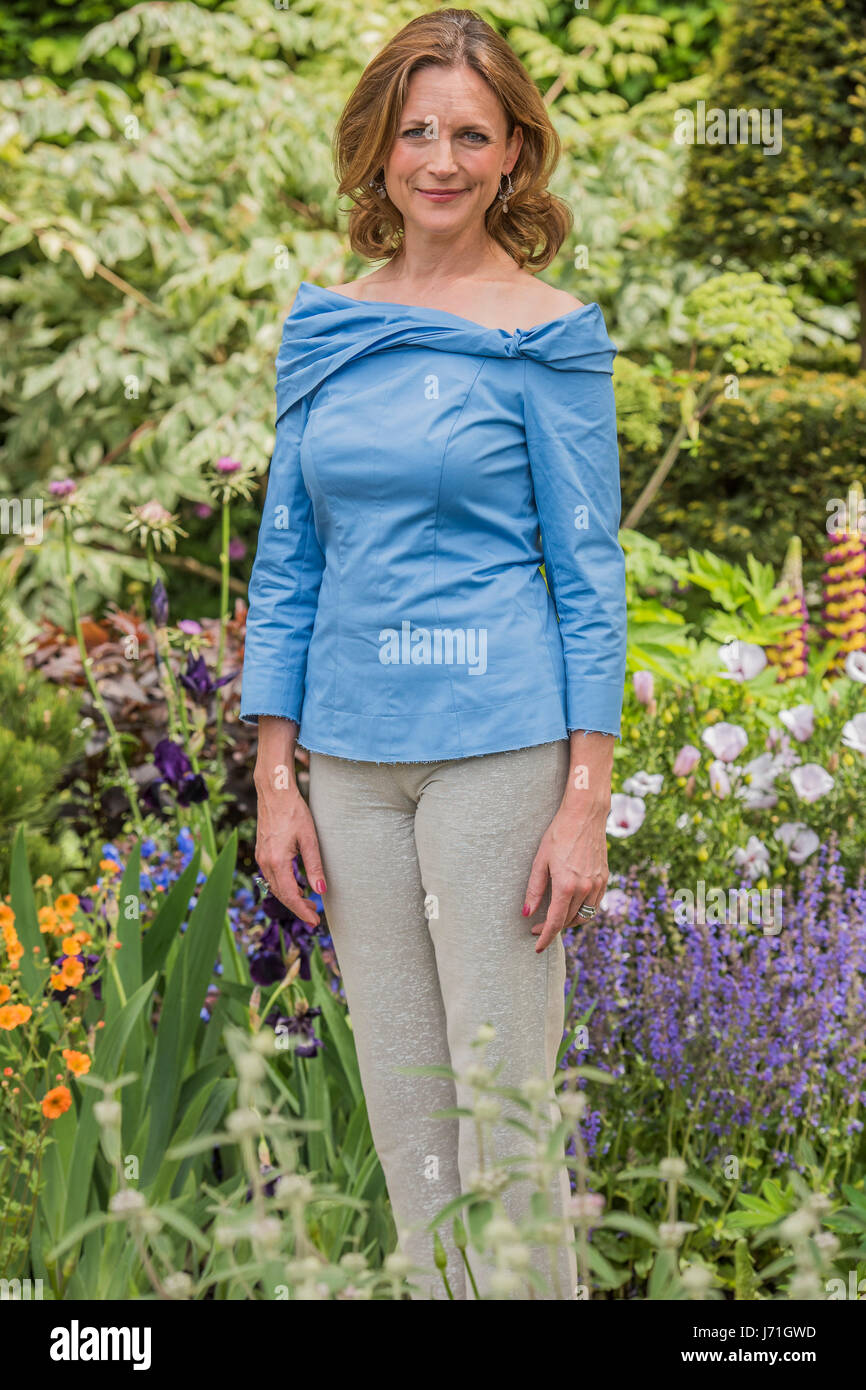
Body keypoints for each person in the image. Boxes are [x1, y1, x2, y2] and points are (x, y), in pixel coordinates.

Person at [240, 6, 627, 1300]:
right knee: (409, 1134)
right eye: (416, 132)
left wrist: (585, 799)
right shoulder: (325, 329)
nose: (442, 160)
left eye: (471, 133)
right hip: (347, 765)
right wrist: (274, 776)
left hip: (497, 753)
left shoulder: (549, 334)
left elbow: (587, 570)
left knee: (501, 1118)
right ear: (378, 150)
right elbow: (288, 559)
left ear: (515, 152)